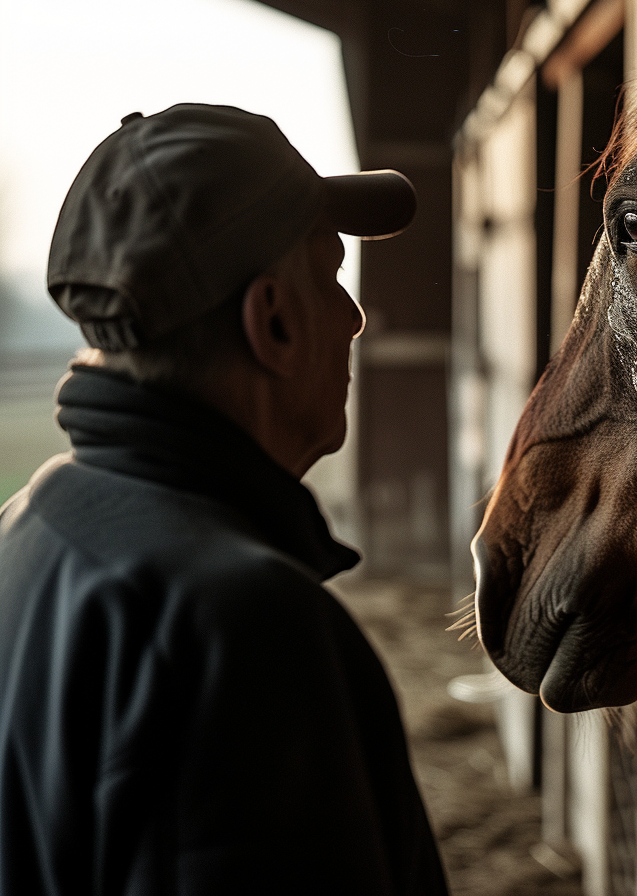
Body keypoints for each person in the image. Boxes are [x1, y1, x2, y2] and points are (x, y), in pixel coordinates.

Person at [0, 104, 450, 895]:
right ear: (272, 320)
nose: (354, 318)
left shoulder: (21, 530)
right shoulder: (241, 626)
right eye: (330, 275)